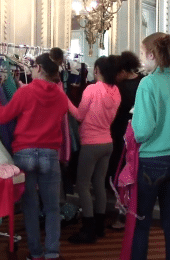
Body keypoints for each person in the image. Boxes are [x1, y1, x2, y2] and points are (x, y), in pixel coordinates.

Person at [0, 48, 68, 260]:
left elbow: (2, 116)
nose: (31, 70)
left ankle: (35, 253)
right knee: (51, 208)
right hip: (50, 154)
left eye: (32, 66)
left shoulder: (25, 93)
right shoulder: (61, 97)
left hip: (24, 153)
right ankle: (52, 253)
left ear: (39, 68)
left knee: (30, 206)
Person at [67, 55, 121, 244]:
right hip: (107, 142)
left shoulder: (92, 89)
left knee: (82, 185)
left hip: (91, 143)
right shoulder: (116, 91)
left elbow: (80, 115)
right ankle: (99, 226)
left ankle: (88, 229)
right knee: (99, 184)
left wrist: (65, 101)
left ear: (97, 69)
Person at [131, 32, 170, 259]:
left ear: (152, 55)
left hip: (152, 161)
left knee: (141, 222)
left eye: (142, 53)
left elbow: (143, 131)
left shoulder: (149, 83)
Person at [107, 51, 143, 229]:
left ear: (122, 70)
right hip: (139, 135)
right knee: (132, 173)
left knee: (122, 173)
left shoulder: (119, 88)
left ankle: (122, 215)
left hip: (122, 134)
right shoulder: (143, 81)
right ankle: (130, 212)